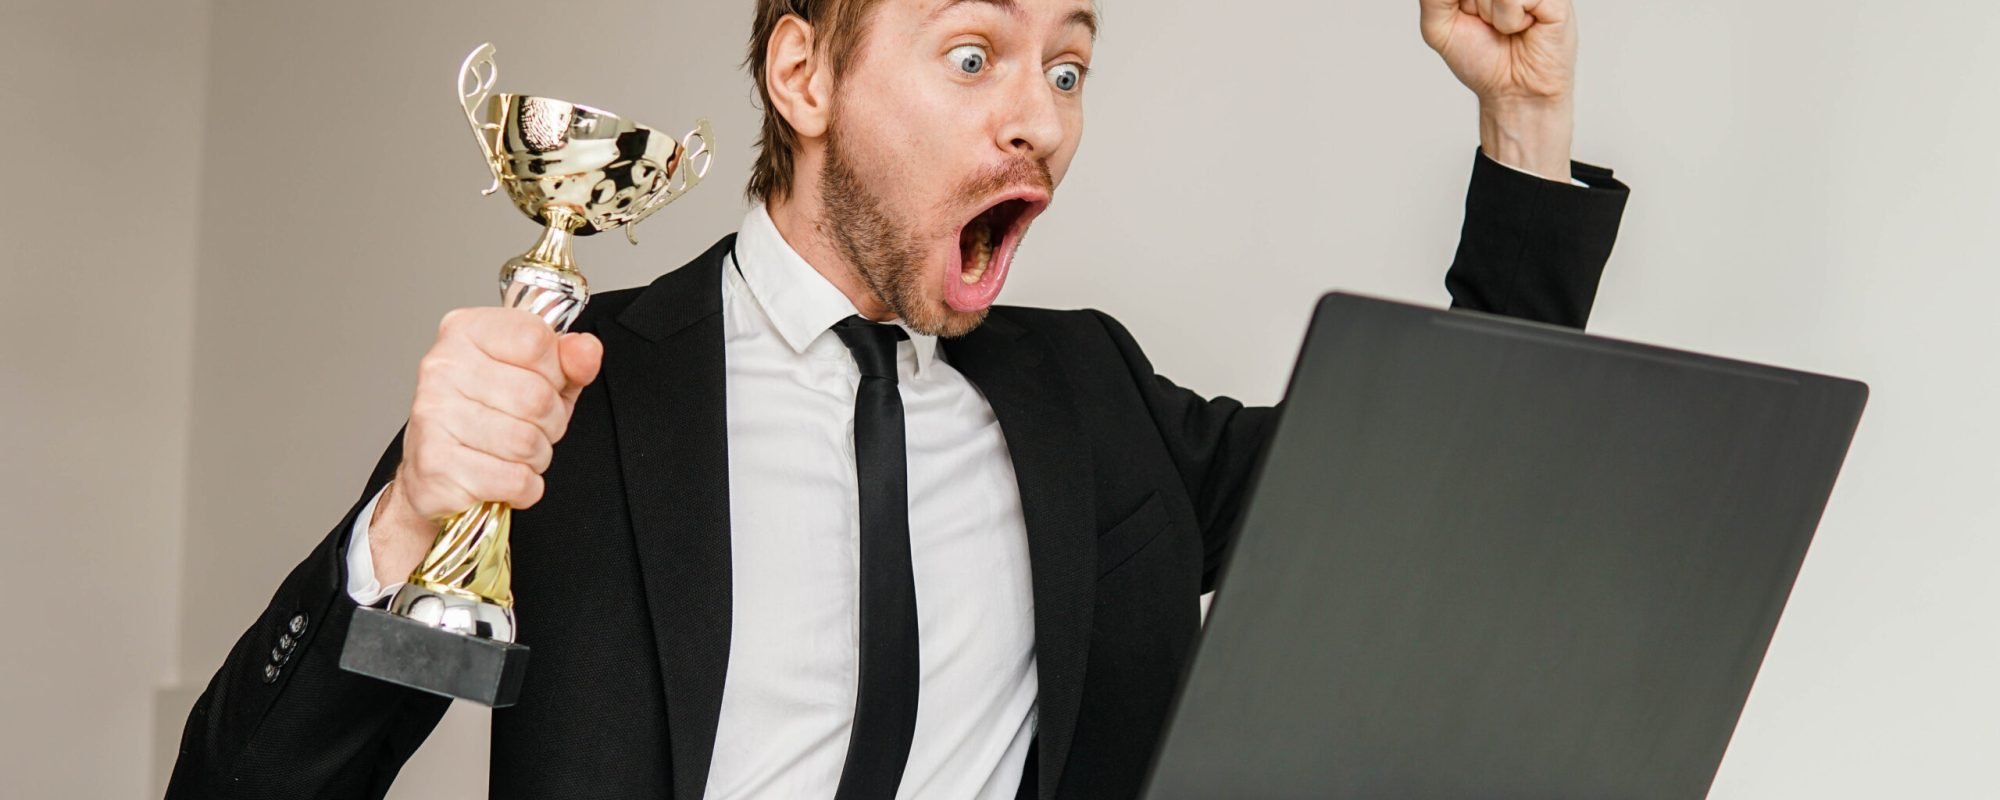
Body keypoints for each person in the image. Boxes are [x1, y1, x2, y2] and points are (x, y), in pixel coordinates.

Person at [168, 0, 1630, 797]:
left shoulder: (1094, 400)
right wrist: (412, 518)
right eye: (976, 53)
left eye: (1069, 64)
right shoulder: (581, 404)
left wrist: (1522, 122)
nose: (1038, 117)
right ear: (804, 69)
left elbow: (1439, 481)